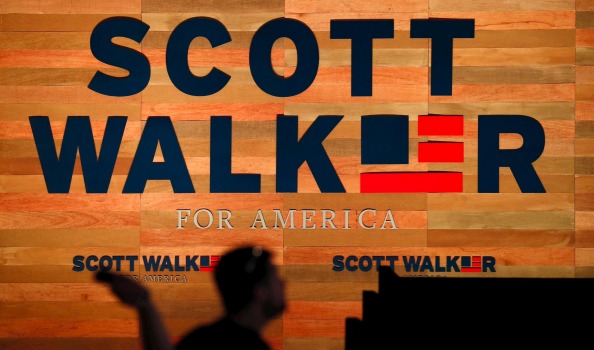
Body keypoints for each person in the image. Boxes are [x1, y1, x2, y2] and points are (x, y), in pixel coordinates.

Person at [96, 246, 286, 350]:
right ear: (259, 291)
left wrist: (144, 304)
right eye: (275, 277)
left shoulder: (204, 338)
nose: (282, 283)